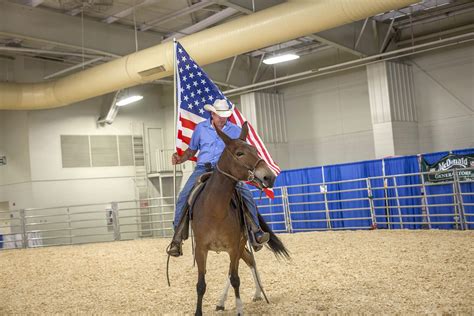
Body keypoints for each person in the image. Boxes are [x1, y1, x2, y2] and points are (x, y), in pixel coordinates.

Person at [167, 98, 270, 257]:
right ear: (212, 114)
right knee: (183, 197)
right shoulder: (201, 129)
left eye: (225, 115)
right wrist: (180, 158)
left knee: (246, 195)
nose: (222, 118)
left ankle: (255, 231)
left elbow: (243, 152)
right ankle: (177, 238)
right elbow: (192, 151)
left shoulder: (235, 131)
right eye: (219, 115)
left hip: (227, 172)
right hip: (203, 168)